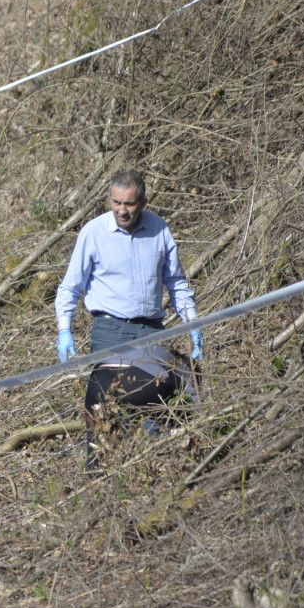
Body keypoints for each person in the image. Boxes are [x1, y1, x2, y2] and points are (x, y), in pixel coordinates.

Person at [55, 169, 203, 363]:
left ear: (143, 202)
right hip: (110, 332)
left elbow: (175, 282)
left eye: (129, 204)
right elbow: (71, 286)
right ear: (109, 199)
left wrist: (192, 322)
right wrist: (65, 329)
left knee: (156, 391)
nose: (122, 211)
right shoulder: (93, 233)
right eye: (117, 203)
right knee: (116, 391)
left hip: (152, 330)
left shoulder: (159, 229)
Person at [84, 344, 198, 472]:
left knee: (96, 451)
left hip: (98, 381)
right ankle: (153, 458)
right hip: (139, 382)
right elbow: (194, 406)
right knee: (156, 422)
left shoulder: (155, 348)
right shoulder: (181, 366)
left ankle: (97, 478)